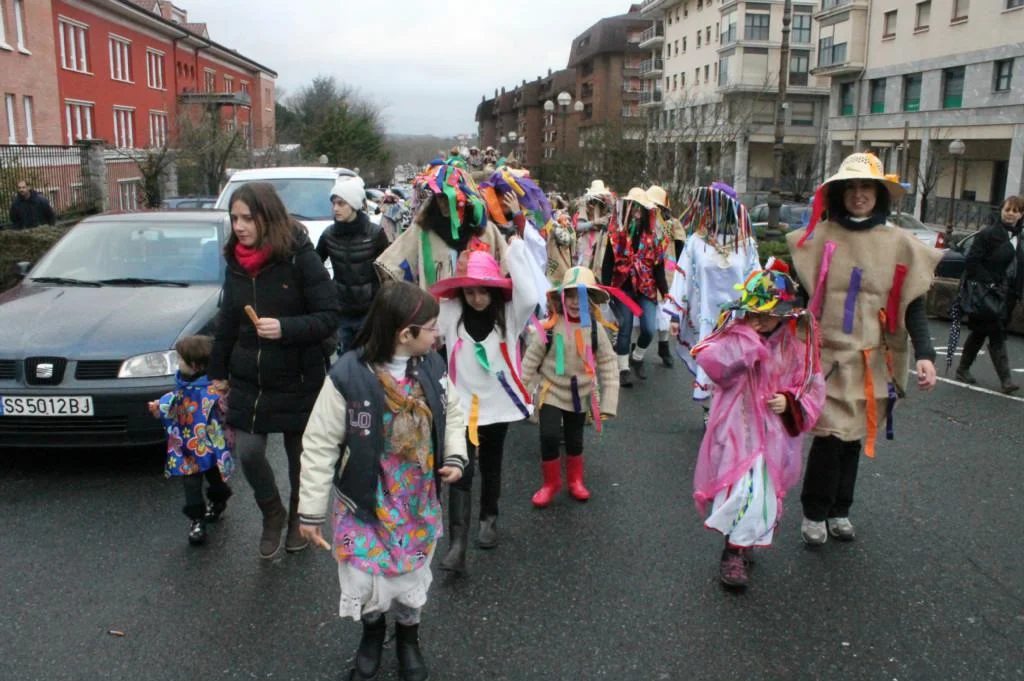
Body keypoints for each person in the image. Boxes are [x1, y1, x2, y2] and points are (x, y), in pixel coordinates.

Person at [297, 281, 467, 681]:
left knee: (411, 574)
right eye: (431, 327)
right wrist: (310, 510)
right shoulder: (347, 376)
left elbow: (453, 413)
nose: (437, 334)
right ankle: (372, 634)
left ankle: (408, 637)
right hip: (365, 501)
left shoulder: (432, 367)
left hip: (416, 499)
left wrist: (455, 455)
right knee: (364, 575)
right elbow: (320, 443)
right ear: (404, 333)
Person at [786, 152, 942, 546]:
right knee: (829, 435)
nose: (859, 194)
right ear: (840, 194)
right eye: (851, 187)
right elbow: (798, 298)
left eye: (867, 187)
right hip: (826, 356)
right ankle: (814, 511)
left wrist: (926, 354)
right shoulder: (817, 238)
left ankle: (841, 509)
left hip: (873, 359)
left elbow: (913, 306)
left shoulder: (899, 243)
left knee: (854, 436)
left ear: (879, 193)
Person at [209, 182, 342, 559]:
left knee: (300, 457)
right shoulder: (235, 261)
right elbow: (227, 321)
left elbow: (330, 315)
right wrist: (218, 372)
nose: (239, 226)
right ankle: (272, 513)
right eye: (234, 218)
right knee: (249, 453)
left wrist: (285, 328)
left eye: (247, 218)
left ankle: (300, 517)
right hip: (251, 378)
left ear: (267, 218)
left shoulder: (299, 256)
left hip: (299, 374)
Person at [689, 264, 825, 589]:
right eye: (754, 313)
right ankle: (733, 552)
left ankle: (744, 541)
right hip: (737, 431)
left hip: (773, 439)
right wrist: (749, 340)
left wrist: (789, 401)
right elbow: (714, 365)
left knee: (761, 493)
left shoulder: (794, 348)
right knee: (740, 489)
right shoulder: (733, 337)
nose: (760, 320)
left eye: (768, 314)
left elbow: (811, 387)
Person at [428, 237, 537, 571]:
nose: (476, 298)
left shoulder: (510, 314)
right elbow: (426, 329)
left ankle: (489, 518)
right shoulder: (451, 312)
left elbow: (531, 295)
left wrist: (515, 250)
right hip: (460, 407)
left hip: (498, 405)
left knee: (491, 464)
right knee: (460, 468)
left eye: (483, 291)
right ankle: (457, 544)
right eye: (470, 291)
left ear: (495, 291)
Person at [521, 266, 624, 508]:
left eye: (582, 297)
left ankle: (575, 481)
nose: (576, 302)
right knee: (549, 435)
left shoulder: (595, 330)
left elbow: (609, 364)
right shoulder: (549, 327)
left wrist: (609, 402)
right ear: (561, 298)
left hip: (581, 394)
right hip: (551, 391)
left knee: (574, 439)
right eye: (570, 296)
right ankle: (551, 483)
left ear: (591, 300)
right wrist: (520, 395)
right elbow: (530, 362)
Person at [663, 183, 760, 423]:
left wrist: (760, 313)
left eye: (716, 206)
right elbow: (683, 276)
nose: (709, 211)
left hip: (738, 321)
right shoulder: (696, 242)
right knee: (709, 365)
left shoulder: (746, 245)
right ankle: (710, 411)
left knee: (735, 368)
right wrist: (675, 315)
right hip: (705, 318)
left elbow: (755, 279)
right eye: (708, 206)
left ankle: (729, 414)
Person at [148, 335, 234, 546]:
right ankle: (197, 520)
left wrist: (224, 400)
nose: (177, 363)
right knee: (190, 482)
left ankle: (218, 500)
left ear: (194, 365)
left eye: (180, 359)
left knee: (215, 478)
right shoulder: (183, 384)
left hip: (210, 445)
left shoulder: (213, 389)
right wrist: (160, 406)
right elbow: (174, 399)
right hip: (187, 445)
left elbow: (226, 409)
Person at [376, 160, 508, 292]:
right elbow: (391, 264)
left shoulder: (485, 230)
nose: (443, 204)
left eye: (449, 198)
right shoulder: (423, 230)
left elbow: (507, 267)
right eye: (440, 198)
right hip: (437, 302)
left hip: (477, 302)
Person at [952, 195, 1023, 394]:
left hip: (1007, 296)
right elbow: (972, 262)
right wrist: (990, 282)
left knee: (980, 332)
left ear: (1021, 215)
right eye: (1007, 209)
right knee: (996, 332)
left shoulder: (1020, 238)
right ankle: (1006, 380)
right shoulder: (987, 234)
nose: (1010, 214)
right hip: (986, 293)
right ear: (1001, 211)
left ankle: (962, 369)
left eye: (1015, 211)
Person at [602, 187, 669, 386]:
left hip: (646, 288)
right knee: (625, 326)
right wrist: (606, 289)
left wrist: (666, 292)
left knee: (649, 329)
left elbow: (658, 267)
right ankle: (623, 369)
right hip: (623, 287)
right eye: (634, 206)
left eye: (641, 207)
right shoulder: (617, 235)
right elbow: (608, 263)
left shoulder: (654, 237)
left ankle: (637, 357)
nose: (637, 210)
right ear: (628, 208)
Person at [316, 176, 389, 355]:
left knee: (369, 359)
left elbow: (388, 271)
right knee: (345, 361)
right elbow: (314, 267)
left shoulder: (375, 234)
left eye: (341, 203)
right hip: (341, 311)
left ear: (354, 205)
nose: (335, 208)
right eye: (334, 203)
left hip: (369, 311)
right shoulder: (328, 235)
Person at [647, 185, 682, 368]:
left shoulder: (672, 224)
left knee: (665, 306)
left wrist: (680, 269)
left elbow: (681, 247)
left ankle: (664, 346)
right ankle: (635, 349)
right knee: (644, 308)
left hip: (667, 267)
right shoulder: (643, 223)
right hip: (646, 268)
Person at [575, 179, 615, 272]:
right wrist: (594, 222)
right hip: (587, 242)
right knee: (584, 269)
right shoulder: (584, 205)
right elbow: (579, 226)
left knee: (598, 269)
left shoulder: (604, 204)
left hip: (601, 242)